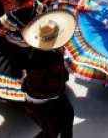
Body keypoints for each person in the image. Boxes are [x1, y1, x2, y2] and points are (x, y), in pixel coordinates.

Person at [20, 9, 78, 138]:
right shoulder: (47, 59)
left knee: (66, 119)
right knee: (52, 132)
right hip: (42, 101)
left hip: (48, 96)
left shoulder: (40, 52)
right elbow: (49, 87)